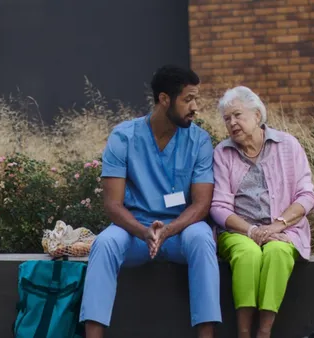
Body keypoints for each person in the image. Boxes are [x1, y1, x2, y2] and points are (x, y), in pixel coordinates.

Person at [79, 65, 221, 338]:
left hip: (181, 231)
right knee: (105, 243)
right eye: (188, 99)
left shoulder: (199, 140)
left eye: (196, 98)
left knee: (203, 239)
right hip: (135, 232)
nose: (195, 107)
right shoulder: (124, 137)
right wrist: (144, 232)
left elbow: (201, 205)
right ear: (164, 99)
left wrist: (168, 230)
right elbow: (113, 205)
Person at [209, 86, 314, 338]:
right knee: (248, 254)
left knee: (277, 252)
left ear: (257, 116)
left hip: (283, 230)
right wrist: (252, 231)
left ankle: (264, 332)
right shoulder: (222, 153)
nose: (232, 123)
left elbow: (307, 195)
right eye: (227, 119)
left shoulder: (288, 145)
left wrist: (277, 225)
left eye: (237, 115)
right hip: (238, 231)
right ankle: (244, 333)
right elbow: (218, 207)